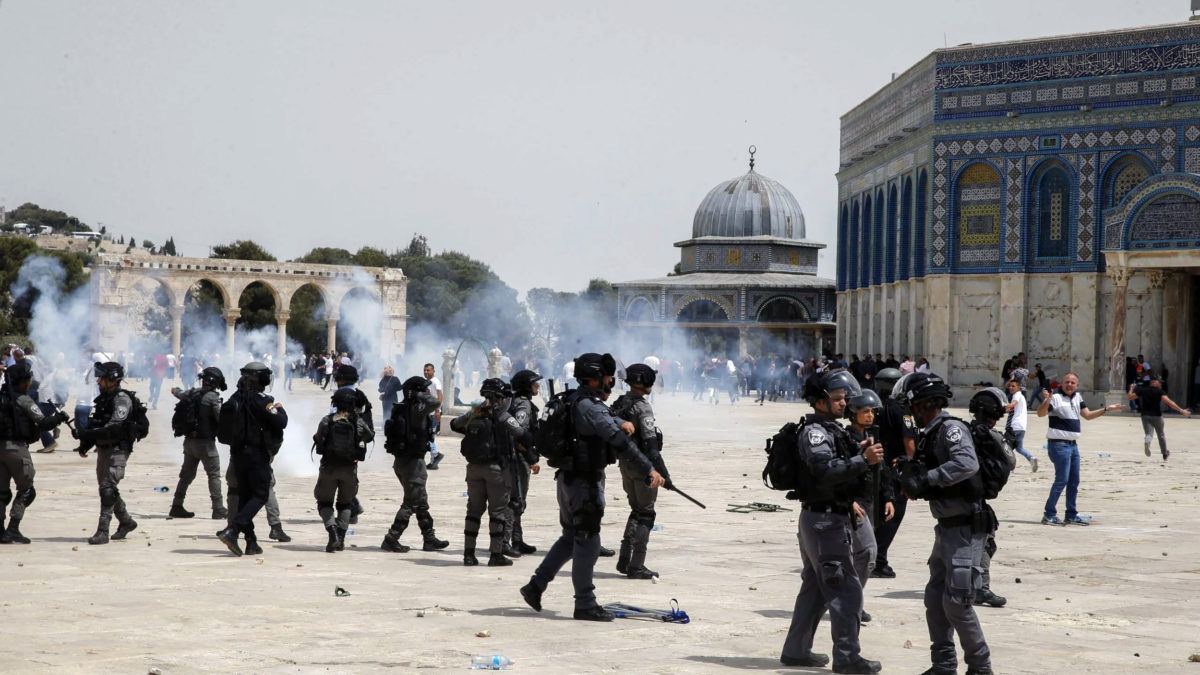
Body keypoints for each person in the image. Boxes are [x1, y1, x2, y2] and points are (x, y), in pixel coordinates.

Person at [519, 353, 665, 622]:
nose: (611, 382)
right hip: (583, 484)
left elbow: (607, 419)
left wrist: (619, 421)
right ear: (597, 379)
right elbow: (620, 442)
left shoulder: (576, 399)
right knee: (589, 541)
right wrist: (650, 469)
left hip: (567, 480)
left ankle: (535, 586)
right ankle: (585, 603)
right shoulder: (591, 407)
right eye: (608, 378)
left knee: (569, 539)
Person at [779, 370, 882, 673]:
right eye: (836, 399)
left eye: (843, 398)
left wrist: (858, 454)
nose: (843, 403)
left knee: (813, 591)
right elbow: (823, 471)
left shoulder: (831, 430)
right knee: (846, 591)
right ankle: (848, 657)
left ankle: (796, 651)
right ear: (819, 402)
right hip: (825, 522)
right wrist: (863, 460)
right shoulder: (816, 433)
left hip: (825, 518)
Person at [895, 372, 993, 675]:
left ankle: (980, 667)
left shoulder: (950, 429)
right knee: (935, 599)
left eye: (913, 408)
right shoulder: (931, 433)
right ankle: (944, 664)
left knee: (957, 603)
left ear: (925, 405)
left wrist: (928, 478)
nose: (912, 415)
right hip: (946, 527)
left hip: (965, 527)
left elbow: (966, 464)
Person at [216, 362, 288, 557]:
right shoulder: (262, 400)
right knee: (260, 495)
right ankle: (233, 531)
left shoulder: (235, 397)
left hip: (237, 454)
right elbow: (281, 422)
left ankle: (251, 542)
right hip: (256, 454)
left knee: (245, 497)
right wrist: (279, 409)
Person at [451, 379, 525, 567]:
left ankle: (469, 554)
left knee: (473, 511)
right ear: (500, 397)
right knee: (498, 512)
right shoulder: (502, 415)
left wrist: (475, 413)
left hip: (474, 468)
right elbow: (521, 432)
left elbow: (454, 424)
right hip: (497, 470)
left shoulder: (475, 413)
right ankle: (496, 554)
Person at [610, 363, 671, 580]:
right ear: (643, 382)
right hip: (643, 466)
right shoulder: (642, 408)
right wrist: (664, 474)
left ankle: (625, 559)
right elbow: (651, 446)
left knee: (636, 510)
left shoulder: (620, 403)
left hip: (625, 464)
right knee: (646, 514)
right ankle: (636, 565)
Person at [1037, 373, 1122, 525]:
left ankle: (1071, 514)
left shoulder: (1077, 398)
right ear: (1062, 384)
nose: (1069, 385)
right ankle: (1049, 514)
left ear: (1077, 385)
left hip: (1073, 446)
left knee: (1074, 481)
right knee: (1061, 480)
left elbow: (1088, 415)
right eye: (1066, 382)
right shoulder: (1055, 398)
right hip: (1059, 445)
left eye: (1072, 382)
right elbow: (1040, 413)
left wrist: (1107, 409)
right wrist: (1047, 400)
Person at [73, 362, 142, 545]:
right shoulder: (104, 398)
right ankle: (126, 521)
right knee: (106, 488)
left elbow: (114, 427)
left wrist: (88, 434)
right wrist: (85, 443)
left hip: (118, 448)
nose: (98, 381)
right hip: (104, 448)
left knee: (108, 488)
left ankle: (103, 531)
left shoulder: (121, 399)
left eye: (102, 378)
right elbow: (98, 424)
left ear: (112, 380)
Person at [0, 361, 69, 543]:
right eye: (28, 380)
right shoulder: (24, 400)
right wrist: (59, 418)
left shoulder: (2, 397)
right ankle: (13, 528)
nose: (30, 383)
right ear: (22, 382)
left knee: (1, 492)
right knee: (27, 490)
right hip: (16, 449)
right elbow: (43, 422)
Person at [380, 376, 449, 553]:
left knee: (421, 502)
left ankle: (429, 539)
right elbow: (435, 402)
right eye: (423, 389)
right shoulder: (416, 410)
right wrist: (420, 395)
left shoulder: (402, 408)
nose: (427, 392)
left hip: (403, 462)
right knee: (411, 502)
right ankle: (391, 538)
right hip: (413, 464)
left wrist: (416, 394)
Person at [843, 387, 893, 624]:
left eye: (872, 411)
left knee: (860, 557)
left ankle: (853, 601)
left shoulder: (874, 436)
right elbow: (841, 473)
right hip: (854, 505)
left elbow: (881, 471)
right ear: (853, 413)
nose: (870, 415)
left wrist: (889, 498)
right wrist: (848, 500)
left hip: (870, 502)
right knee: (867, 554)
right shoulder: (845, 438)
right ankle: (850, 601)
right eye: (864, 411)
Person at [966, 387, 1016, 610]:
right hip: (975, 498)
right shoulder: (991, 435)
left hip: (957, 494)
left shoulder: (964, 430)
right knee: (986, 541)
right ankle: (980, 588)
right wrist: (1008, 443)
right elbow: (1011, 461)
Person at [870, 368, 916, 580]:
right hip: (896, 470)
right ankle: (878, 560)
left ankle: (871, 556)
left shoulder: (872, 408)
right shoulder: (902, 411)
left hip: (875, 466)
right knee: (893, 515)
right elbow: (910, 444)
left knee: (877, 514)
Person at [312, 388, 372, 553]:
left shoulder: (327, 420)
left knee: (324, 503)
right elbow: (369, 436)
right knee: (345, 504)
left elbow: (318, 439)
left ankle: (332, 533)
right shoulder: (357, 422)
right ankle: (341, 538)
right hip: (349, 469)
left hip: (328, 468)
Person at [168, 367, 229, 519]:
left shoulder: (192, 393)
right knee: (214, 475)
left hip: (189, 442)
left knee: (186, 476)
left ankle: (176, 505)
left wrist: (175, 389)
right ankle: (218, 508)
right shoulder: (212, 398)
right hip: (206, 444)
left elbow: (178, 393)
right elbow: (221, 419)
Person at [504, 369, 542, 556]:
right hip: (517, 458)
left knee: (516, 500)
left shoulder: (511, 401)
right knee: (516, 500)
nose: (537, 386)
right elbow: (520, 435)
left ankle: (516, 539)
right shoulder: (523, 405)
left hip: (511, 457)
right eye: (534, 383)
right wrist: (531, 459)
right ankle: (505, 542)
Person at [1128, 376, 1190, 461]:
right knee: (1161, 435)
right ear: (1154, 382)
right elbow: (1169, 402)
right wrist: (1181, 410)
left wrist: (1131, 388)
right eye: (1159, 382)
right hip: (1157, 416)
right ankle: (1164, 454)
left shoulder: (1143, 390)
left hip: (1145, 415)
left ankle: (1147, 442)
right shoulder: (1160, 391)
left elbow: (1130, 397)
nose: (1160, 384)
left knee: (1149, 434)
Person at [1003, 379, 1037, 471]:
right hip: (1022, 427)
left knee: (1006, 447)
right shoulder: (1021, 397)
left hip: (1015, 426)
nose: (1010, 387)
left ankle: (1009, 467)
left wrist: (1003, 406)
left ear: (1018, 387)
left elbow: (1013, 404)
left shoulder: (1016, 395)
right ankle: (1031, 458)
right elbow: (1011, 409)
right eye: (1010, 386)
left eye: (1013, 386)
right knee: (1019, 448)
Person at [423, 363, 445, 470]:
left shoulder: (435, 381)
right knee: (429, 436)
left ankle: (435, 455)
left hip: (433, 414)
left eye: (428, 370)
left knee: (430, 435)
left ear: (433, 371)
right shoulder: (427, 382)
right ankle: (434, 460)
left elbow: (440, 397)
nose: (426, 372)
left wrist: (437, 411)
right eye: (425, 370)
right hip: (428, 413)